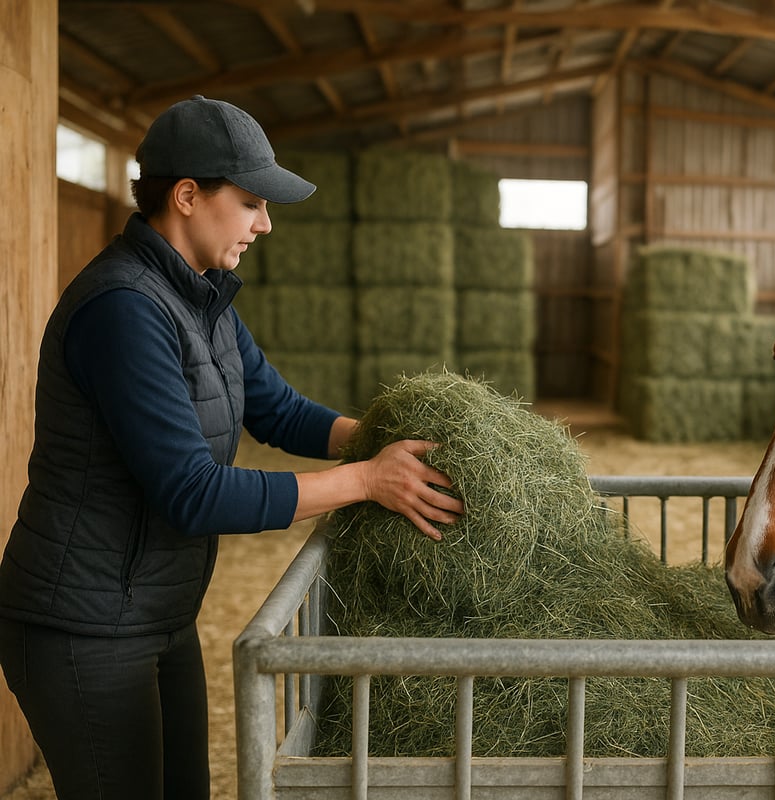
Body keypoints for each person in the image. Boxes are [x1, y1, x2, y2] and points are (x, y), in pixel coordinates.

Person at [0, 95, 464, 800]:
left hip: (156, 610)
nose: (264, 223)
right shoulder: (123, 308)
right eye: (250, 202)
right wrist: (368, 481)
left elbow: (277, 409)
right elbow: (193, 492)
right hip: (83, 625)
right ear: (187, 196)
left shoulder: (204, 300)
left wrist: (386, 440)